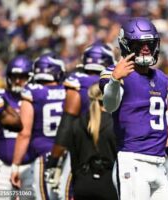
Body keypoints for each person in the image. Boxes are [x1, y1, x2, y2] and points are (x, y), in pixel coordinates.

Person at [100, 17, 168, 200]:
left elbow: (166, 127)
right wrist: (115, 80)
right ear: (126, 45)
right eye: (140, 44)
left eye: (150, 43)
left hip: (159, 165)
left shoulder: (162, 79)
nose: (146, 48)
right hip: (132, 160)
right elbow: (110, 105)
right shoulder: (114, 72)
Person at [45, 42, 116, 199]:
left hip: (83, 151)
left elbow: (67, 122)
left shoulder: (77, 81)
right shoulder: (117, 81)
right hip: (113, 151)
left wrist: (54, 160)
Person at [10, 53, 66, 200]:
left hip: (45, 156)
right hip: (68, 156)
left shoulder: (32, 92)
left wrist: (15, 165)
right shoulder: (69, 91)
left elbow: (24, 133)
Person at [68, 83, 117, 200]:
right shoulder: (115, 125)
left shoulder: (77, 123)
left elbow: (74, 162)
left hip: (82, 184)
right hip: (109, 185)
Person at [0, 56, 35, 198]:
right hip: (3, 166)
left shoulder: (37, 98)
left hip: (31, 166)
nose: (18, 81)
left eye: (22, 77)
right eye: (14, 76)